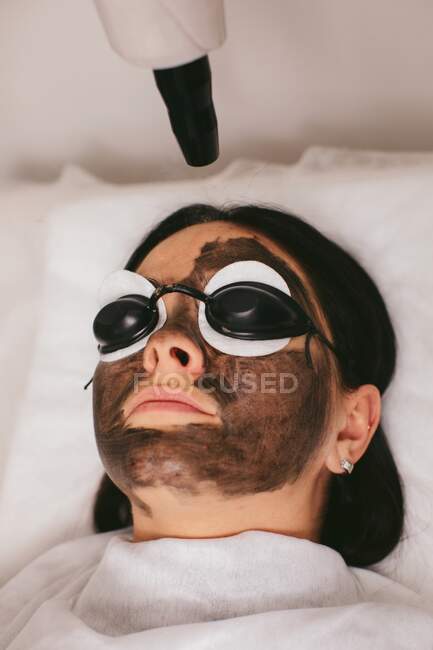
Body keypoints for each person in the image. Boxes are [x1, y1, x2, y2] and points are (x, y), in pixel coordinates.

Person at [1, 203, 432, 649]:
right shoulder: (21, 601)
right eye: (128, 319)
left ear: (351, 427)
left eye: (246, 310)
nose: (163, 345)